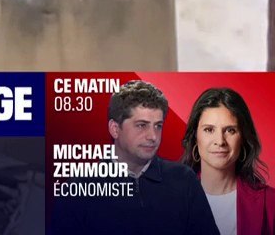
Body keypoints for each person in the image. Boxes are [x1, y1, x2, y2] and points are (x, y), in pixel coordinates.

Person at [51, 80, 220, 234]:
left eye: (158, 126)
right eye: (141, 125)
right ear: (115, 129)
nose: (153, 136)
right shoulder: (79, 190)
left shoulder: (184, 180)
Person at [181, 88, 275, 234]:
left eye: (230, 130)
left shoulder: (270, 202)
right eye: (209, 130)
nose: (220, 141)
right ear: (195, 137)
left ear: (243, 138)